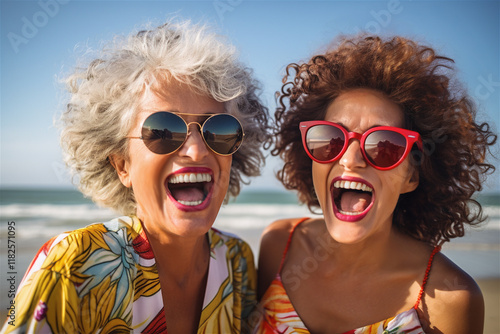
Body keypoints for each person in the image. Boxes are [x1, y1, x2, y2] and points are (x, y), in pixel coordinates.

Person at [2, 20, 270, 334]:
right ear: (121, 165)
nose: (197, 151)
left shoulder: (237, 261)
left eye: (218, 130)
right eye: (163, 131)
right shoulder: (70, 265)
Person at [254, 35, 496, 334]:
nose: (351, 159)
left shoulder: (451, 298)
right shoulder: (278, 245)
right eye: (331, 139)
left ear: (412, 176)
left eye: (385, 145)